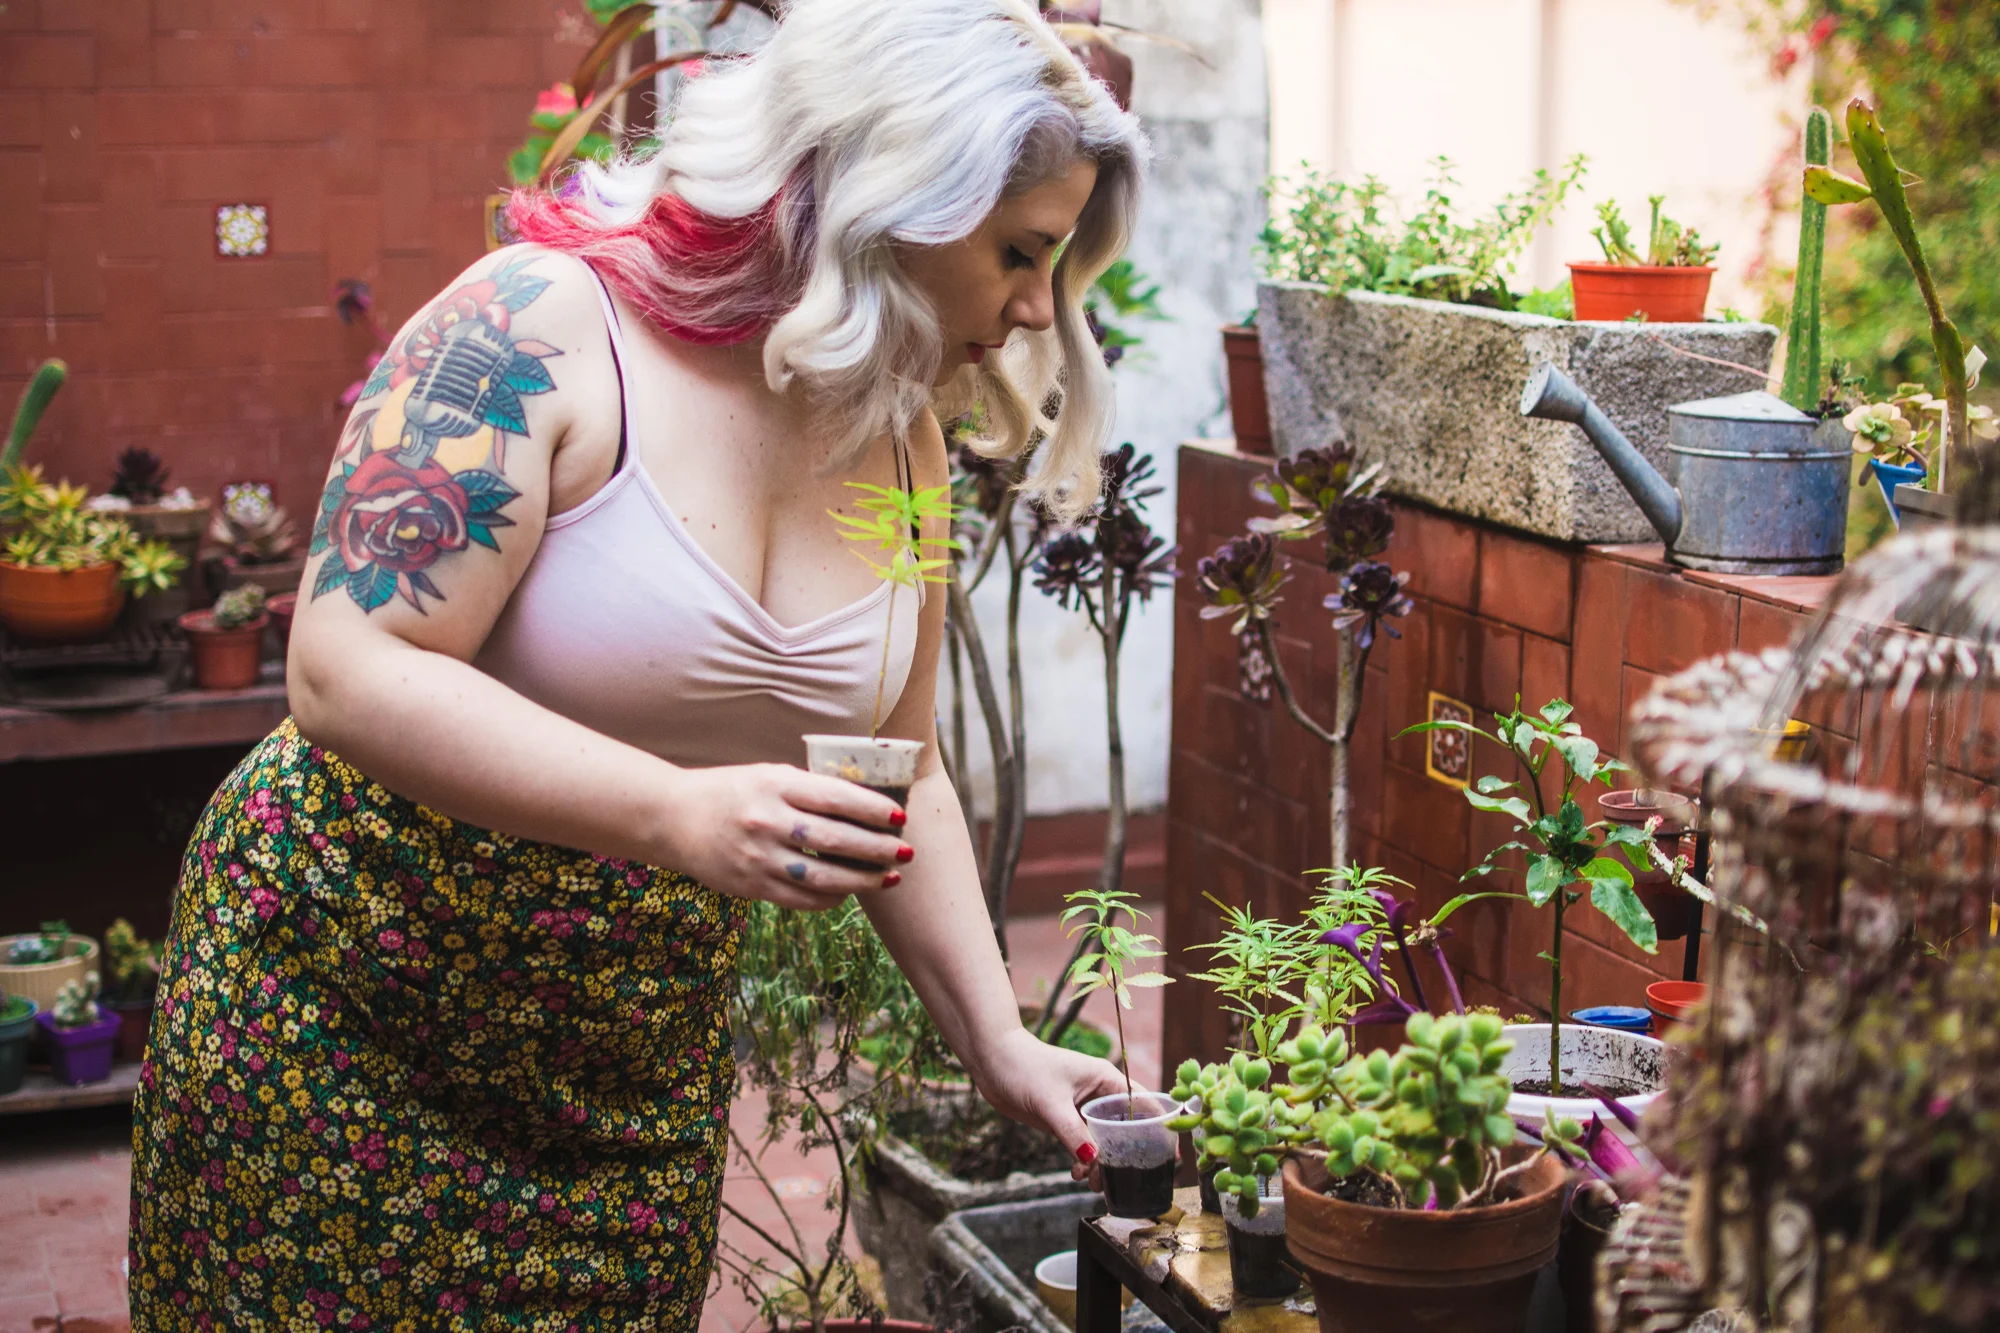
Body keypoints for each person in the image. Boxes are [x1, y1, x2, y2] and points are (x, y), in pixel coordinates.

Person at [127, 0, 1149, 1328]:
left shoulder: (901, 434)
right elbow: (343, 666)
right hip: (344, 1023)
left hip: (622, 1082)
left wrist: (998, 1040)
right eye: (1021, 252)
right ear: (896, 189)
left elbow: (907, 776)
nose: (1029, 310)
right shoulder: (538, 327)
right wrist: (676, 809)